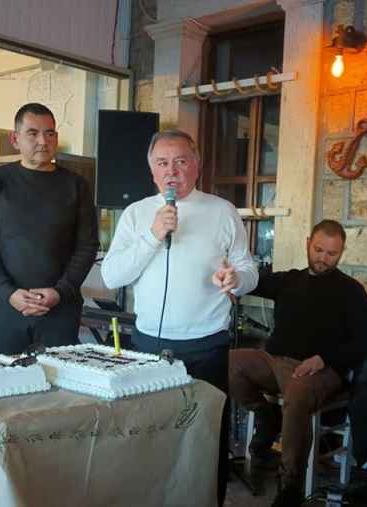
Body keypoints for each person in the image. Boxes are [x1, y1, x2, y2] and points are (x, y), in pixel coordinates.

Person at [101, 129, 258, 506]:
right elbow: (112, 276)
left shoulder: (222, 211)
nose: (172, 170)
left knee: (207, 440)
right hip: (149, 346)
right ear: (152, 171)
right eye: (162, 163)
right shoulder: (137, 214)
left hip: (207, 346)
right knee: (150, 439)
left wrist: (237, 279)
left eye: (180, 161)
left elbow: (248, 269)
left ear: (197, 165)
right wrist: (154, 235)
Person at [229, 219, 367, 507]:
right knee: (229, 361)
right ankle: (267, 414)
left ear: (342, 252)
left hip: (322, 370)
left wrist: (324, 358)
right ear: (308, 243)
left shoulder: (351, 290)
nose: (323, 258)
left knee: (296, 393)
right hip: (274, 361)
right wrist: (232, 280)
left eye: (332, 253)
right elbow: (251, 282)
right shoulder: (290, 280)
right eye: (318, 250)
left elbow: (364, 343)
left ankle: (290, 486)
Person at [0, 103, 98, 354]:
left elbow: (87, 246)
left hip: (59, 310)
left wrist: (60, 292)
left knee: (59, 378)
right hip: (3, 307)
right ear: (15, 139)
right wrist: (9, 292)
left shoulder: (76, 186)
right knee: (3, 376)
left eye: (49, 133)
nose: (42, 141)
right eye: (32, 133)